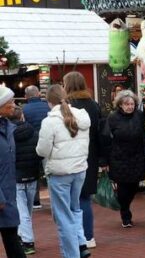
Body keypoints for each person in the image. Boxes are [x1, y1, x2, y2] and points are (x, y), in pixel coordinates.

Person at [35, 84, 92, 258]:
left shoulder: (50, 121)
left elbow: (42, 150)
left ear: (48, 101)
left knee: (63, 216)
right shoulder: (82, 115)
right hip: (79, 169)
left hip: (60, 173)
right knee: (75, 209)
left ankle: (72, 254)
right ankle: (81, 244)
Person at [63, 72, 106, 250]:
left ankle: (75, 236)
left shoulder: (65, 107)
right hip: (90, 155)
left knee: (69, 199)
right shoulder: (94, 105)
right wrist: (103, 159)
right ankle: (88, 236)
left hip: (69, 156)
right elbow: (102, 134)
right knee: (84, 197)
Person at [102, 91, 145, 228]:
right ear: (120, 105)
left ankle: (125, 204)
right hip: (119, 157)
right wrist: (104, 161)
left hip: (137, 156)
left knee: (135, 185)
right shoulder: (112, 118)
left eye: (132, 104)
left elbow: (144, 133)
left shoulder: (139, 116)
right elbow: (106, 139)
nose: (130, 107)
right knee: (123, 186)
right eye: (126, 104)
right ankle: (125, 213)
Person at [10, 104, 42, 255]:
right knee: (27, 211)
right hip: (32, 175)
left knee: (22, 211)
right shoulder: (34, 133)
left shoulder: (8, 135)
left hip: (16, 177)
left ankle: (28, 240)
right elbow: (39, 153)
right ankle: (24, 235)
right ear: (22, 116)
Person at [0, 86, 26, 258]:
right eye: (9, 101)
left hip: (8, 195)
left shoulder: (8, 128)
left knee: (12, 240)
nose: (14, 104)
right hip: (2, 198)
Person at [22, 85, 48, 210]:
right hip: (48, 143)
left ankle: (35, 200)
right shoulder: (47, 106)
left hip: (32, 145)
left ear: (26, 96)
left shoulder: (24, 109)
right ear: (38, 94)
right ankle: (54, 199)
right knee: (49, 171)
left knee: (35, 172)